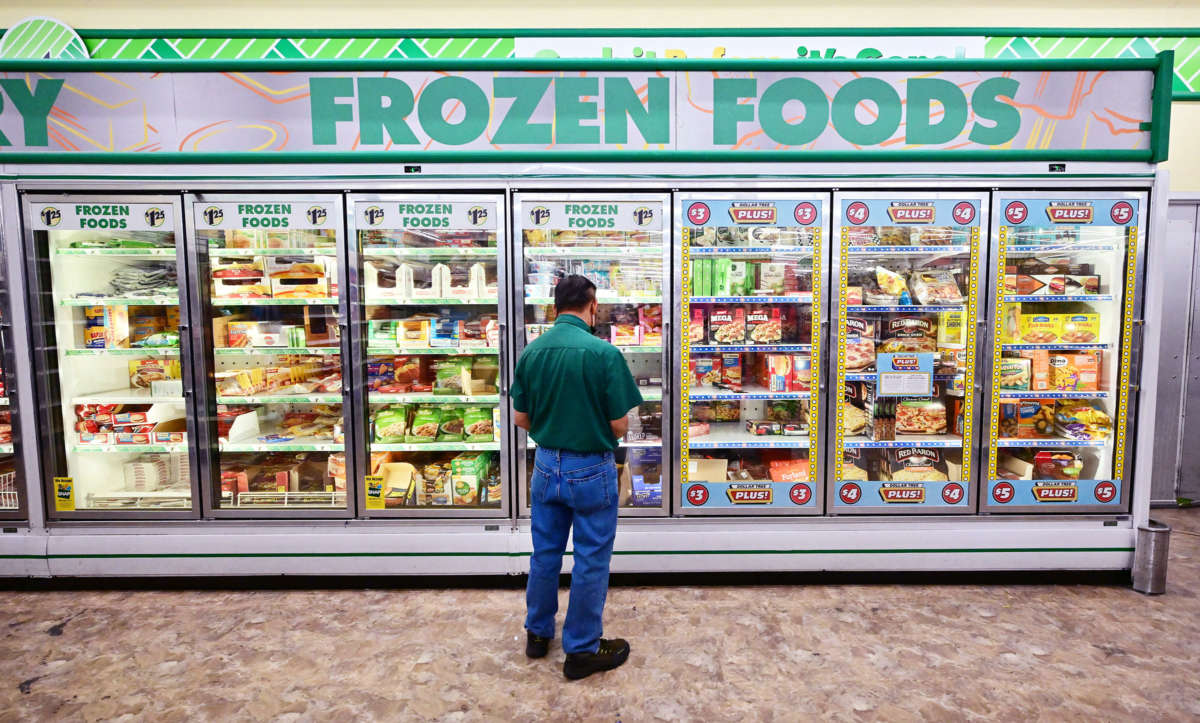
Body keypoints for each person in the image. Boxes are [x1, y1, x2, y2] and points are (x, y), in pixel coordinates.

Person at [511, 274, 644, 680]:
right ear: (592, 306)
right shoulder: (603, 354)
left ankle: (537, 634)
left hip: (547, 465)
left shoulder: (532, 352)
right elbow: (620, 425)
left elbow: (521, 418)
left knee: (544, 553)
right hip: (591, 468)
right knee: (590, 558)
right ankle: (582, 649)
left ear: (554, 308)